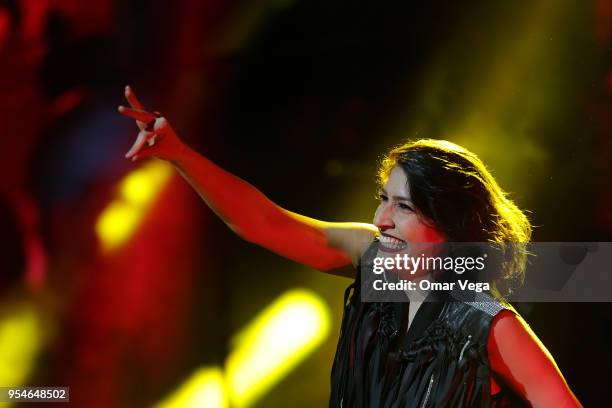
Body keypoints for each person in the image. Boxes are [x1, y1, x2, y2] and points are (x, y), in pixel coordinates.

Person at [118, 86, 582, 407]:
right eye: (384, 200)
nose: (382, 219)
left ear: (448, 221)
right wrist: (178, 153)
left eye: (403, 206)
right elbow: (261, 223)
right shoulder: (371, 258)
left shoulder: (491, 325)